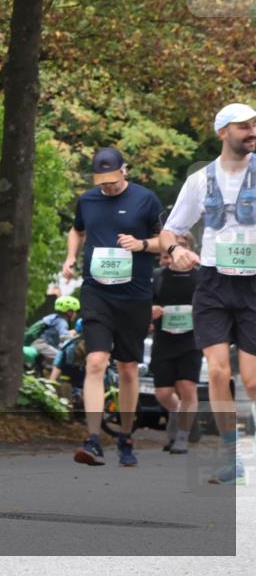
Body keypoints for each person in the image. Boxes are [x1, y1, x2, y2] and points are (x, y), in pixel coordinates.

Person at [160, 103, 256, 485]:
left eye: (254, 125)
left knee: (251, 380)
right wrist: (175, 250)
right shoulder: (200, 180)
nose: (251, 131)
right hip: (214, 283)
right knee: (217, 371)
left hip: (253, 282)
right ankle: (232, 458)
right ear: (222, 132)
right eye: (243, 126)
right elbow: (171, 229)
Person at [62, 147, 163, 467]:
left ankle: (126, 434)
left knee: (128, 368)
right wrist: (70, 258)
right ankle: (92, 440)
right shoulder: (88, 200)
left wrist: (141, 244)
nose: (107, 187)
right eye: (101, 182)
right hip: (96, 293)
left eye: (112, 180)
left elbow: (167, 239)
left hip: (134, 296)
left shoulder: (146, 199)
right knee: (95, 362)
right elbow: (77, 230)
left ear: (125, 170)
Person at [150, 234, 202, 455]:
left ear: (188, 248)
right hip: (164, 339)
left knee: (188, 387)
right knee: (163, 393)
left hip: (192, 340)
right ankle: (176, 411)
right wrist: (151, 312)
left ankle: (182, 437)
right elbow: (145, 304)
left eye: (180, 246)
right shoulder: (158, 276)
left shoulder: (201, 277)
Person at [28, 296, 81, 376]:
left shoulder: (54, 317)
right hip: (43, 345)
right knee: (61, 358)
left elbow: (59, 334)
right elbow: (64, 337)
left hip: (38, 343)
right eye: (74, 311)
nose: (75, 314)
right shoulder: (62, 322)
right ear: (69, 312)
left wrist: (72, 332)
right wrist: (78, 336)